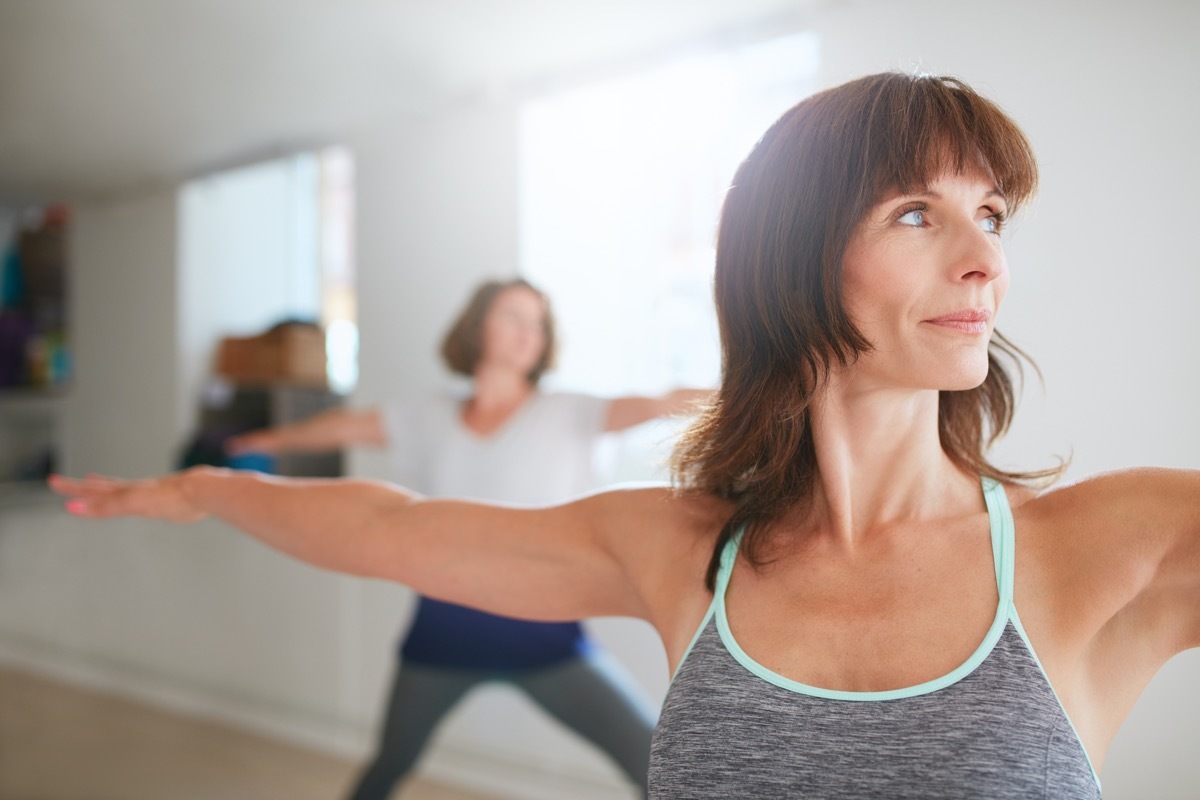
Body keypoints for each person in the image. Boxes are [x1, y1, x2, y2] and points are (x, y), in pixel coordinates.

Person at [50, 72, 1199, 798]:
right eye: (918, 210)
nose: (988, 258)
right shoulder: (680, 547)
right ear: (792, 255)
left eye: (992, 214)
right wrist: (210, 487)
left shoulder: (1111, 542)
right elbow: (386, 525)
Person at [222, 277, 709, 799]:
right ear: (477, 328)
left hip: (546, 640)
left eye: (538, 324)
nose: (529, 333)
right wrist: (267, 440)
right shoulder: (428, 417)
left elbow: (665, 402)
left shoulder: (571, 412)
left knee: (655, 762)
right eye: (514, 318)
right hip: (442, 636)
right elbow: (343, 427)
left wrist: (770, 388)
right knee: (389, 764)